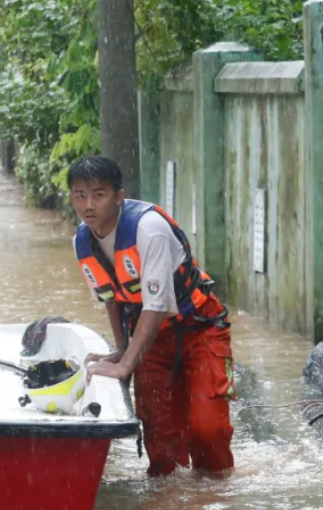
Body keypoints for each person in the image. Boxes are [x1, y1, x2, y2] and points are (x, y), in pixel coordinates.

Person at [69, 156, 235, 478]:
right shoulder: (83, 240)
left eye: (98, 194)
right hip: (150, 338)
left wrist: (126, 364)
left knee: (208, 429)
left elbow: (157, 305)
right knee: (160, 448)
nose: (88, 205)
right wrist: (121, 348)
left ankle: (218, 499)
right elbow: (111, 297)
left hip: (199, 328)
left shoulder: (150, 230)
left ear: (119, 196)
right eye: (79, 195)